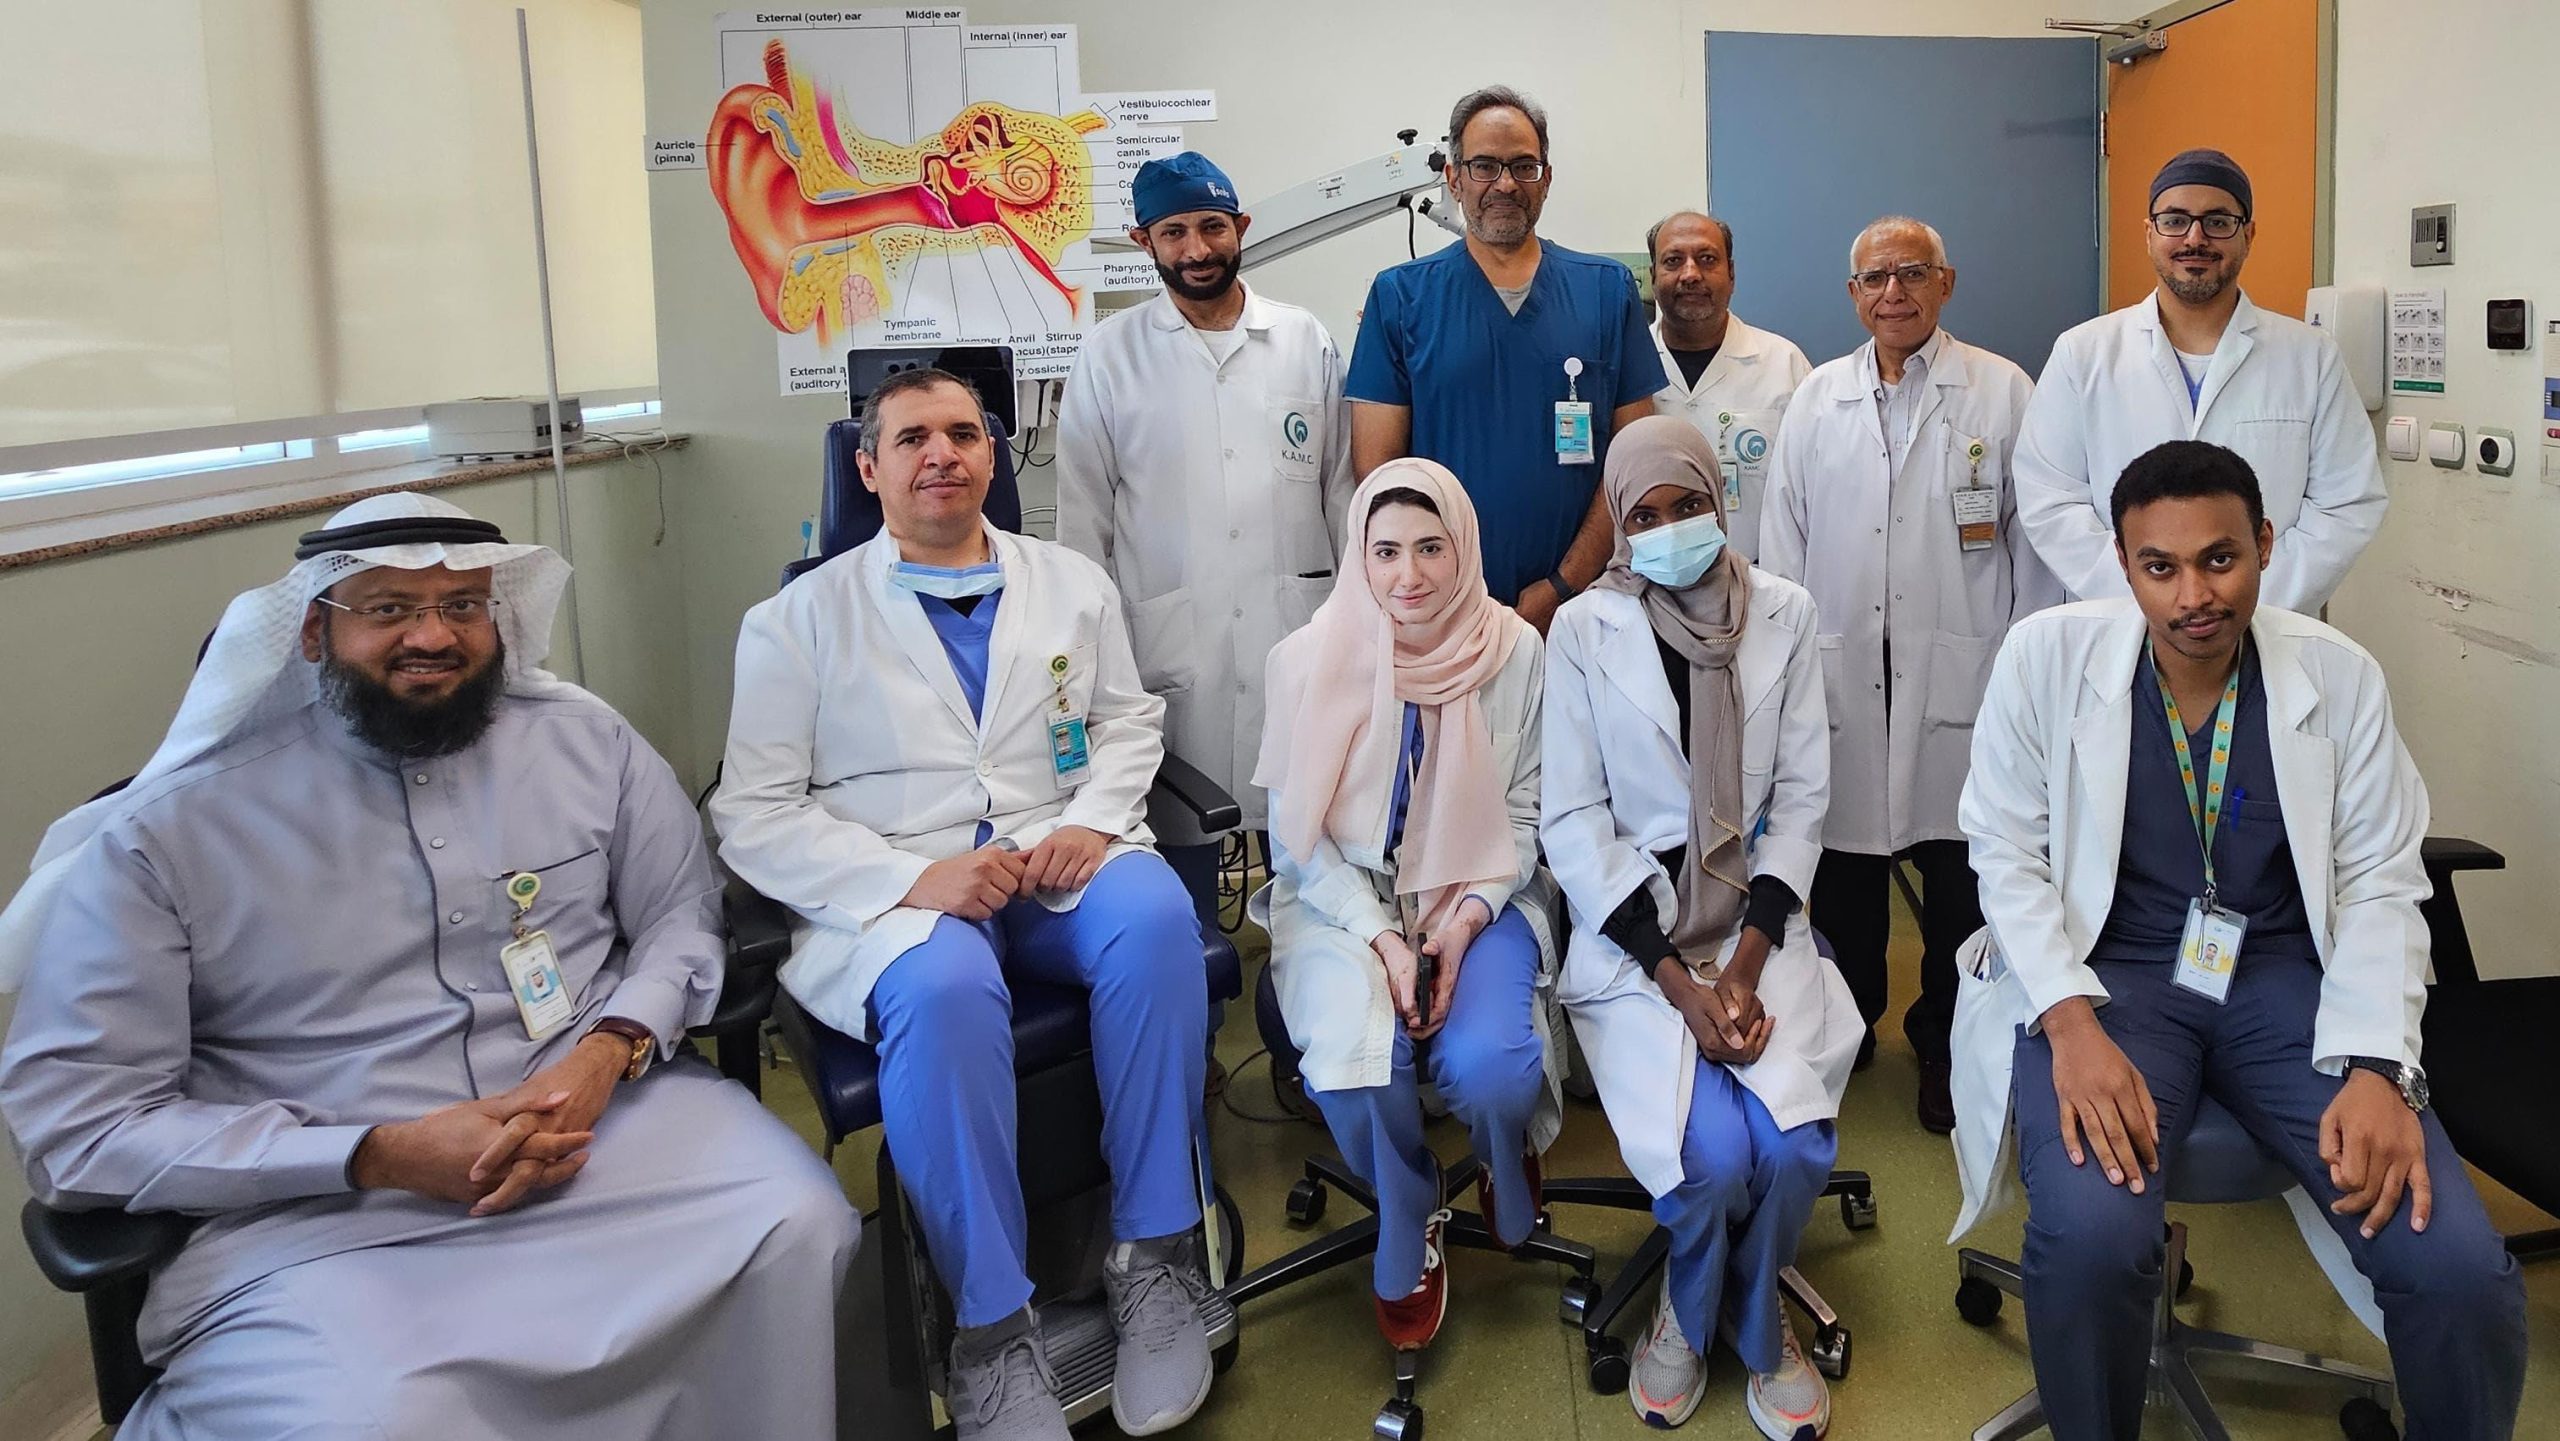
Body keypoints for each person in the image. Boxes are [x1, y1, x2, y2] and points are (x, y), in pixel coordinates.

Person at [0, 493, 860, 1441]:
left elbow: (681, 914)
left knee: (796, 1224)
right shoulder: (169, 833)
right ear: (314, 631)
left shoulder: (589, 744)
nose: (432, 634)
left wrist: (607, 1050)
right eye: (389, 608)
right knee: (380, 1417)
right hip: (326, 1204)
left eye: (461, 606)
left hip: (603, 1132)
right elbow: (80, 1124)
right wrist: (375, 1152)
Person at [1951, 440, 2526, 1440]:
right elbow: (2004, 852)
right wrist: (2070, 1026)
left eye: (2219, 559)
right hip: (2108, 982)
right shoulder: (2045, 659)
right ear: (2123, 564)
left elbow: (2384, 880)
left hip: (2284, 983)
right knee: (2089, 1239)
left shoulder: (2336, 677)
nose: (2193, 597)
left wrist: (2379, 1068)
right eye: (2159, 566)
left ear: (2263, 544)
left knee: (2454, 1266)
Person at [711, 369, 1217, 1441]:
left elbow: (1127, 721)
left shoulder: (1069, 580)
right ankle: (992, 1328)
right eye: (911, 439)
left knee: (1156, 922)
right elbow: (751, 812)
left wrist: (1094, 820)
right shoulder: (795, 620)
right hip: (899, 883)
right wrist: (910, 879)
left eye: (962, 433)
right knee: (943, 991)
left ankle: (1155, 1255)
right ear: (867, 468)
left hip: (1054, 849)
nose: (940, 453)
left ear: (992, 454)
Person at [1544, 418, 1856, 1436]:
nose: (1671, 528)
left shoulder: (1785, 612)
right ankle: (1692, 1302)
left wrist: (1746, 968)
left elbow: (1801, 799)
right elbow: (1574, 820)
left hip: (1755, 928)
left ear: (1720, 503)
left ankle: (1750, 1312)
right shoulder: (1583, 630)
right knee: (1713, 1160)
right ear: (1618, 525)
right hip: (1641, 943)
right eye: (1645, 515)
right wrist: (1682, 987)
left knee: (1796, 1146)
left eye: (1689, 506)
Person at [1758, 216, 2065, 1133]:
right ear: (1853, 294)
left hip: (1964, 675)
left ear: (1946, 282)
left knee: (1961, 880)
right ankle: (1848, 1024)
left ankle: (1945, 1040)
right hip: (1843, 674)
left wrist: (2022, 675)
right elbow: (1782, 545)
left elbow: (2035, 548)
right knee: (1844, 877)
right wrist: (1787, 669)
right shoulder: (1817, 399)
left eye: (1912, 273)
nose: (1893, 291)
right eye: (1875, 277)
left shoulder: (2004, 392)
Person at [1252, 458, 1562, 1354]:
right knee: (1354, 1066)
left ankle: (1504, 1149)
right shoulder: (1303, 661)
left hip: (1479, 883)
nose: (1409, 574)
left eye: (1431, 547)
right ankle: (1410, 1199)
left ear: (1463, 547)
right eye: (1385, 550)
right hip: (1344, 900)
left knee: (1493, 1070)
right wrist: (1385, 939)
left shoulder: (1515, 649)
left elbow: (1527, 812)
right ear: (1359, 555)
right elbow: (1298, 843)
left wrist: (1461, 926)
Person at [1057, 149, 1354, 894]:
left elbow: (1342, 493)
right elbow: (1083, 523)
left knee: (1313, 853)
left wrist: (1358, 622)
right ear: (1144, 241)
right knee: (1173, 849)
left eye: (1213, 227)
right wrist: (1090, 665)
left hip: (1297, 630)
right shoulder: (1109, 356)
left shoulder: (1305, 340)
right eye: (1174, 232)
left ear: (1241, 228)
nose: (1196, 249)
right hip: (1166, 641)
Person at [2014, 149, 2388, 611]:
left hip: (2267, 621)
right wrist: (2152, 599)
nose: (2195, 238)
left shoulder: (2310, 357)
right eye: (2175, 221)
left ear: (2248, 235)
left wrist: (2243, 603)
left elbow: (2345, 503)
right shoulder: (2083, 353)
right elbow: (2050, 498)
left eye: (2218, 222)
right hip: (2120, 619)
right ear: (2149, 234)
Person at [1346, 84, 1658, 627]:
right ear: (1454, 178)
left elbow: (1633, 465)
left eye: (1523, 167)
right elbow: (1379, 477)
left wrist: (1563, 586)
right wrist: (1445, 591)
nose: (1506, 184)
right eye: (1485, 166)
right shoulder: (1400, 297)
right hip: (1442, 611)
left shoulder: (1606, 290)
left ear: (1547, 178)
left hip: (1583, 606)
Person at [1643, 211, 1814, 558]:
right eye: (1673, 261)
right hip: (1650, 580)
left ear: (1731, 274)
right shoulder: (1628, 364)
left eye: (1707, 259)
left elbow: (1815, 489)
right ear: (1653, 276)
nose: (1691, 274)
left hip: (1759, 577)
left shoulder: (1784, 364)